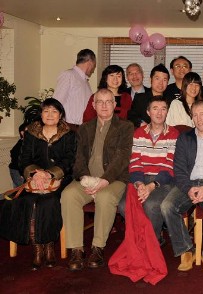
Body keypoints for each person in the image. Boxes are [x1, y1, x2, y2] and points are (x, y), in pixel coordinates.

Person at [61, 88, 133, 271]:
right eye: (99, 101)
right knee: (69, 195)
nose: (104, 105)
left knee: (105, 197)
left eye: (108, 101)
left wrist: (104, 180)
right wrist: (85, 178)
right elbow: (78, 158)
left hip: (114, 179)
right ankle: (77, 249)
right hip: (87, 178)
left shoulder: (126, 127)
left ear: (115, 105)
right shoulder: (85, 128)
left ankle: (97, 247)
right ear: (93, 105)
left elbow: (123, 158)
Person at [0, 98, 76, 270]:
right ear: (41, 114)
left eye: (54, 111)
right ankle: (37, 248)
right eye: (46, 111)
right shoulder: (30, 134)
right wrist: (35, 174)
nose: (50, 115)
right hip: (33, 179)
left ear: (61, 115)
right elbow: (23, 159)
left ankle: (48, 245)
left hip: (60, 179)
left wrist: (49, 174)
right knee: (27, 202)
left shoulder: (69, 135)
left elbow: (70, 160)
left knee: (49, 202)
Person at [161, 99, 203, 273]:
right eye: (195, 115)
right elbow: (179, 168)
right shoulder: (185, 138)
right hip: (189, 183)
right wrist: (188, 188)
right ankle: (186, 250)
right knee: (167, 206)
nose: (198, 119)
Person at [118, 96, 179, 244]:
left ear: (167, 112)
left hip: (163, 180)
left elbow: (169, 165)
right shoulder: (138, 132)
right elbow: (135, 162)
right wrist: (139, 184)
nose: (159, 113)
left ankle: (154, 239)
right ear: (148, 112)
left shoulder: (174, 134)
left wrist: (152, 186)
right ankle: (140, 236)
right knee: (123, 205)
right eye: (155, 109)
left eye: (163, 109)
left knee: (151, 205)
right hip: (140, 178)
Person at [54, 48, 96, 129]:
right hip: (69, 127)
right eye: (94, 66)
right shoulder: (69, 75)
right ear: (90, 62)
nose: (93, 70)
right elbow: (57, 103)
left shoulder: (85, 81)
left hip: (82, 128)